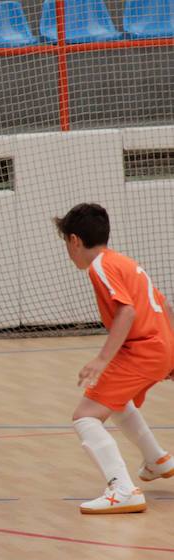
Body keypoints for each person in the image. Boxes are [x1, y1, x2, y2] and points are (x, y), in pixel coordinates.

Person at [55, 203, 174, 514]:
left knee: (85, 416)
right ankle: (157, 459)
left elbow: (127, 311)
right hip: (159, 347)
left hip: (142, 350)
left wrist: (101, 359)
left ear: (74, 241)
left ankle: (122, 489)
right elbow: (166, 307)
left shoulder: (100, 267)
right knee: (116, 401)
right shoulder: (126, 263)